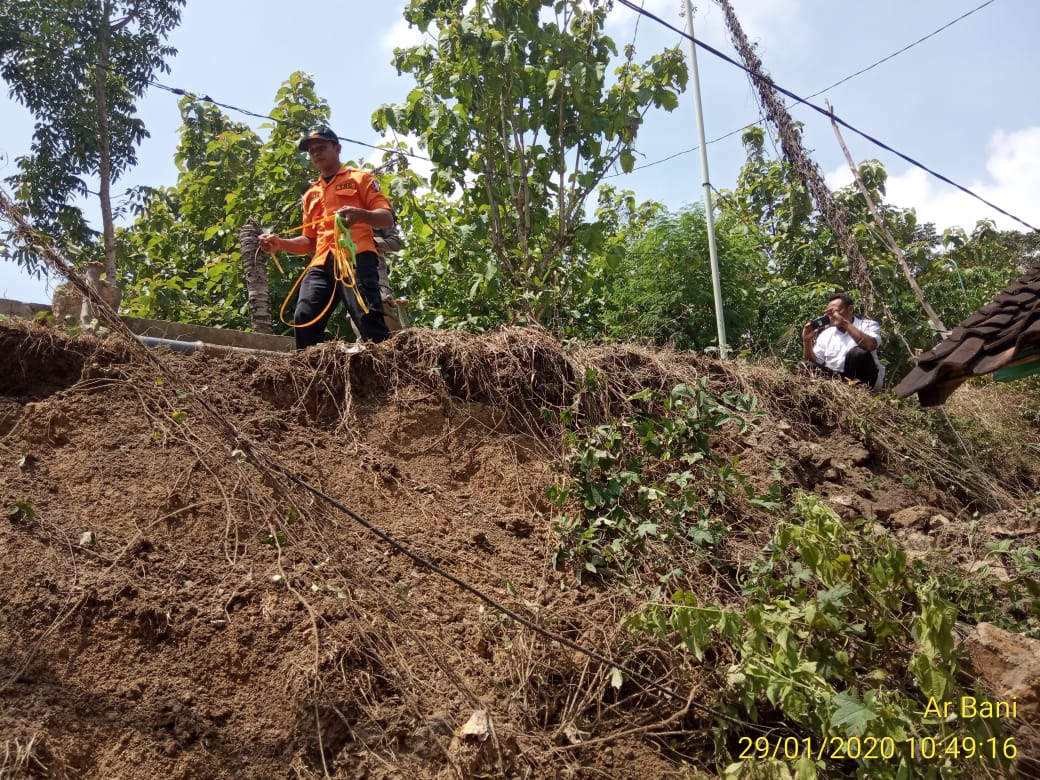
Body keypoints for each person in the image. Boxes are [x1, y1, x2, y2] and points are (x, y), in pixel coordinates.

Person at [259, 127, 393, 350]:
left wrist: (361, 215)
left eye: (321, 148)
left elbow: (386, 218)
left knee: (367, 318)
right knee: (304, 317)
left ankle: (386, 373)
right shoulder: (311, 194)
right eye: (311, 152)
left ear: (337, 148)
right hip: (322, 263)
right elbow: (309, 242)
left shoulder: (361, 179)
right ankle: (310, 374)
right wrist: (280, 243)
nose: (316, 154)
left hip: (355, 256)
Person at [800, 291, 882, 387]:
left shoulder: (867, 325)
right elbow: (813, 361)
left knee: (857, 353)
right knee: (805, 365)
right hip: (837, 380)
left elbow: (870, 345)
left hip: (864, 379)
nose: (832, 316)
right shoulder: (826, 334)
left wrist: (844, 323)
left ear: (850, 309)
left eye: (835, 312)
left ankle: (858, 390)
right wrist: (807, 341)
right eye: (829, 313)